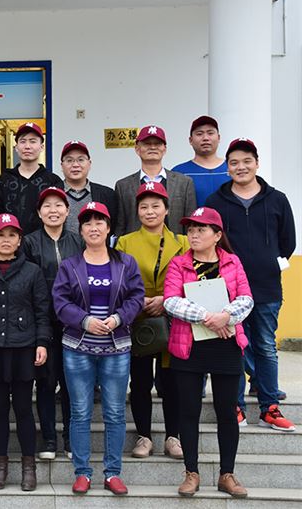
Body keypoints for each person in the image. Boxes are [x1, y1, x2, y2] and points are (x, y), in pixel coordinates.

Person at [52, 201, 144, 496]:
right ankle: (82, 472)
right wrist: (85, 321)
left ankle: (112, 473)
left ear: (108, 228)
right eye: (88, 223)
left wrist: (118, 318)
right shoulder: (70, 265)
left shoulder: (126, 263)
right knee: (80, 412)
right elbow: (60, 302)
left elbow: (136, 297)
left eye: (99, 222)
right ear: (80, 230)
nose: (93, 228)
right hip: (78, 347)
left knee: (115, 412)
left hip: (116, 348)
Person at [206, 138, 297, 431]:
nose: (241, 167)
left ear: (257, 163)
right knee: (234, 347)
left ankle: (270, 407)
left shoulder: (277, 199)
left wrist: (268, 262)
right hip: (228, 290)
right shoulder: (216, 202)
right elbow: (209, 242)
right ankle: (235, 407)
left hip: (266, 287)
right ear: (227, 167)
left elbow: (288, 241)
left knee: (265, 346)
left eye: (247, 161)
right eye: (234, 162)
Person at [163, 206, 254, 498]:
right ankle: (191, 473)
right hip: (189, 346)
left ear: (217, 235)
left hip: (226, 344)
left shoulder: (233, 262)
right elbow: (171, 301)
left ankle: (227, 474)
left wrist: (225, 316)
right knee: (188, 411)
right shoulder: (179, 263)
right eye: (190, 229)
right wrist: (208, 317)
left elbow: (246, 298)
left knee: (226, 411)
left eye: (201, 229)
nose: (193, 234)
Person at [0, 213, 51, 492]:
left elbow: (42, 311)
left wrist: (42, 342)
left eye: (12, 235)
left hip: (23, 347)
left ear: (19, 240)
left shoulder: (32, 271)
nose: (6, 240)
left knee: (24, 408)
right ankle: (0, 467)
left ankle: (29, 468)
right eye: (0, 235)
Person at [115, 182, 189, 460]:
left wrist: (165, 300)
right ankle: (143, 436)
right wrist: (140, 300)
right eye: (144, 206)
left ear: (167, 209)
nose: (149, 211)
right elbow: (118, 280)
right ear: (137, 211)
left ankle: (173, 436)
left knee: (172, 382)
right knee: (140, 381)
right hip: (138, 319)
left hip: (173, 320)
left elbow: (188, 280)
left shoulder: (182, 242)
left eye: (156, 206)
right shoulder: (125, 242)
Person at [22, 187, 84, 460]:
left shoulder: (78, 241)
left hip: (74, 323)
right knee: (46, 382)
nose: (53, 211)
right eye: (47, 206)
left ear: (68, 211)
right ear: (39, 213)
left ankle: (70, 438)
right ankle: (48, 439)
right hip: (43, 323)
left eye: (59, 205)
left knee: (71, 383)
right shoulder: (29, 242)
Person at [114, 125, 197, 235]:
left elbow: (190, 224)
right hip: (135, 245)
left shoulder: (184, 183)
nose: (153, 147)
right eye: (147, 144)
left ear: (164, 149)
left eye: (157, 144)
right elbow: (120, 226)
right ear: (137, 149)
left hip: (176, 244)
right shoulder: (123, 186)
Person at [0, 122, 62, 234]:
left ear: (42, 147)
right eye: (23, 141)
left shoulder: (53, 181)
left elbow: (59, 216)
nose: (27, 146)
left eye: (33, 141)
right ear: (16, 147)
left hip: (43, 242)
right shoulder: (3, 181)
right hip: (10, 241)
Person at [59, 140, 118, 234]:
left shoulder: (107, 194)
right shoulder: (52, 194)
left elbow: (114, 227)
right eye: (69, 160)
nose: (75, 165)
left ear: (89, 164)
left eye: (81, 160)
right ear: (62, 166)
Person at [172, 116, 230, 207]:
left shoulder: (233, 169)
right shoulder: (179, 172)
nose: (205, 138)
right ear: (190, 140)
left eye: (210, 133)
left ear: (218, 138)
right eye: (199, 134)